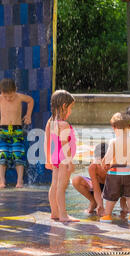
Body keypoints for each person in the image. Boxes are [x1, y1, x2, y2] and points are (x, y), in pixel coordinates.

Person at [0, 78, 34, 188]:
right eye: (6, 96)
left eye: (11, 96)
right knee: (2, 154)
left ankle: (19, 181)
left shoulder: (19, 97)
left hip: (17, 130)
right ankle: (2, 181)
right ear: (0, 91)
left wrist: (28, 115)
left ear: (16, 90)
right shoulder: (0, 98)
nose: (9, 99)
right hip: (3, 129)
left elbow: (30, 100)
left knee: (18, 154)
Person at [100, 112, 130, 223]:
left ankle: (107, 215)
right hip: (129, 173)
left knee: (111, 196)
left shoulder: (114, 141)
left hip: (115, 173)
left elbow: (108, 157)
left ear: (114, 127)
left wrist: (104, 164)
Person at [44, 90, 79, 223]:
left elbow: (46, 141)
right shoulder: (63, 124)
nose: (70, 111)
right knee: (61, 187)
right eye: (70, 108)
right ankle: (63, 215)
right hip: (63, 159)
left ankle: (54, 212)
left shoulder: (50, 121)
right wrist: (70, 162)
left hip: (54, 157)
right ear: (64, 106)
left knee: (54, 185)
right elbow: (65, 145)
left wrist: (47, 158)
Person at [72, 143, 128, 216]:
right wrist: (100, 205)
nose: (104, 166)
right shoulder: (93, 167)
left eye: (107, 162)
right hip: (100, 186)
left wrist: (108, 209)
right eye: (100, 162)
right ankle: (93, 202)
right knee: (76, 180)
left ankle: (123, 202)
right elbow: (96, 189)